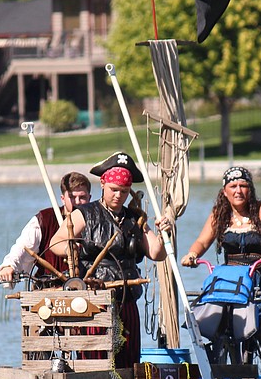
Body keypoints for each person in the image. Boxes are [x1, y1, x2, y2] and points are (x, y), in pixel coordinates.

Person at [45, 152, 172, 367]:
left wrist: (165, 233)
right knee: (95, 359)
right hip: (95, 300)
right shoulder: (85, 213)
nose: (118, 196)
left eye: (123, 192)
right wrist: (72, 247)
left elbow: (157, 253)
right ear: (103, 185)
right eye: (114, 190)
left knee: (128, 359)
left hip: (127, 299)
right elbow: (55, 243)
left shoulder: (135, 217)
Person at [182, 166, 261, 379]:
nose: (239, 191)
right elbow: (202, 241)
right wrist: (193, 254)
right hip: (231, 282)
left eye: (243, 186)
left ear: (250, 189)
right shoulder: (220, 213)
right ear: (225, 191)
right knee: (214, 328)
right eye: (233, 187)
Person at [0, 172, 92, 286]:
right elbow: (22, 247)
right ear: (62, 198)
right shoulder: (45, 220)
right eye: (72, 197)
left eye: (82, 197)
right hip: (48, 293)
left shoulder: (96, 220)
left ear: (89, 197)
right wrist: (9, 266)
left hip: (87, 292)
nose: (77, 202)